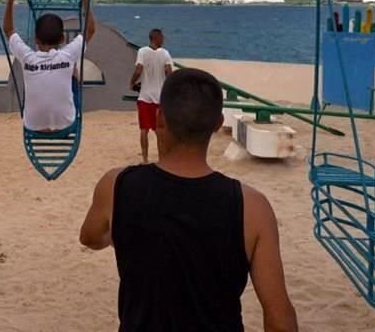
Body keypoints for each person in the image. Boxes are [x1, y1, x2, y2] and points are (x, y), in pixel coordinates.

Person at [79, 68, 298, 332]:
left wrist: (122, 235)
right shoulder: (253, 207)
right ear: (217, 124)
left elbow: (90, 237)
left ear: (159, 118)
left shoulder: (116, 186)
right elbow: (279, 319)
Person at [3, 0, 95, 132]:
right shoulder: (67, 55)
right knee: (73, 73)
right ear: (62, 39)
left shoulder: (27, 57)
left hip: (33, 125)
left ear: (36, 40)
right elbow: (90, 30)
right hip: (65, 123)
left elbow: (8, 30)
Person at [129, 28, 173, 163]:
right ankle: (162, 157)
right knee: (159, 130)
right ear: (156, 38)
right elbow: (169, 72)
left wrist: (132, 82)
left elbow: (138, 69)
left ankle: (145, 158)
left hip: (145, 96)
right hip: (159, 97)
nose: (163, 40)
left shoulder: (142, 51)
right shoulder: (165, 54)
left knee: (144, 129)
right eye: (162, 37)